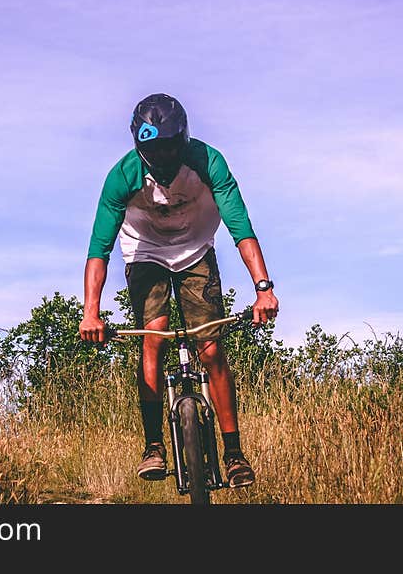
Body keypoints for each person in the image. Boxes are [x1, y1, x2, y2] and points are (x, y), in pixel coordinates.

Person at [78, 92, 279, 488]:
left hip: (195, 250)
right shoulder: (123, 176)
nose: (165, 156)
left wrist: (263, 288)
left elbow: (240, 225)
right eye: (155, 149)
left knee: (211, 347)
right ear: (141, 148)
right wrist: (91, 312)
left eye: (171, 146)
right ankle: (154, 446)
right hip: (145, 252)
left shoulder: (208, 162)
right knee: (154, 337)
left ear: (183, 140)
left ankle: (234, 454)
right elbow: (98, 249)